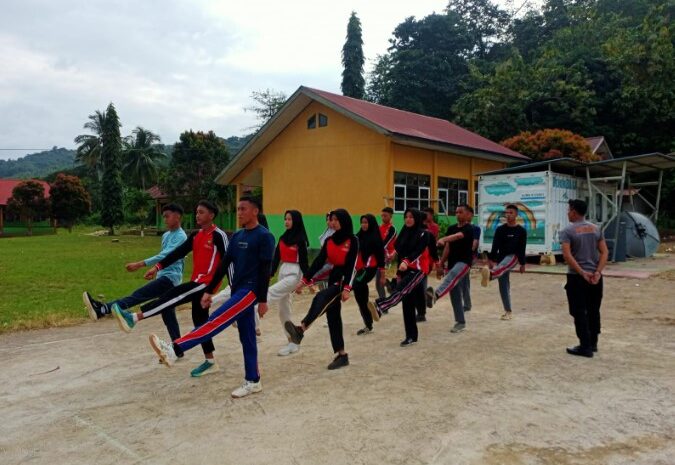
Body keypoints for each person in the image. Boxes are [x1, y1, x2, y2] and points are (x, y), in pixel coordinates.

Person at [149, 196, 275, 397]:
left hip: (250, 291)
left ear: (255, 211)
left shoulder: (264, 236)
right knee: (247, 337)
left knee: (215, 321)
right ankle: (253, 381)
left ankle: (174, 349)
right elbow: (223, 265)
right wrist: (209, 291)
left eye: (243, 209)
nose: (239, 212)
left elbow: (266, 269)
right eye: (238, 209)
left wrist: (262, 300)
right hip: (237, 289)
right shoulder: (237, 236)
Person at [112, 200, 229, 378]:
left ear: (212, 215)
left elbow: (227, 263)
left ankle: (134, 318)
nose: (197, 215)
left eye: (202, 212)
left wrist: (212, 289)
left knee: (172, 296)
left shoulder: (219, 235)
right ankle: (210, 361)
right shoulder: (195, 236)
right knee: (200, 322)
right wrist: (157, 267)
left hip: (206, 284)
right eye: (196, 212)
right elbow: (177, 253)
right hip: (197, 281)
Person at [83, 203, 187, 344]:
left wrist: (140, 264)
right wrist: (156, 270)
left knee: (139, 295)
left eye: (167, 216)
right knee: (168, 314)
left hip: (170, 280)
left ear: (177, 216)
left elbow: (166, 255)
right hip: (163, 277)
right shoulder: (166, 236)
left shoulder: (181, 237)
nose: (165, 220)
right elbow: (163, 256)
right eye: (163, 217)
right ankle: (179, 347)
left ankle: (102, 309)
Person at [284, 209, 359, 370]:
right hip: (333, 278)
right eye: (331, 220)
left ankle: (301, 329)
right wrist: (305, 280)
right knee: (333, 317)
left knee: (320, 298)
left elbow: (352, 266)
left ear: (344, 221)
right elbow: (318, 262)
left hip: (342, 281)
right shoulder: (330, 241)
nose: (332, 223)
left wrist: (347, 288)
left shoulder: (353, 240)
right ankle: (341, 355)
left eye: (336, 220)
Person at [560, 199, 608, 358]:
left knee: (578, 311)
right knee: (594, 309)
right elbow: (604, 252)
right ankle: (593, 343)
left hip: (577, 278)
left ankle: (584, 346)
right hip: (595, 277)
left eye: (568, 210)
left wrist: (582, 272)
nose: (567, 212)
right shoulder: (596, 228)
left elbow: (567, 255)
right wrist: (598, 272)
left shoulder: (567, 231)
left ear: (574, 211)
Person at [270, 210, 309, 356]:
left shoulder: (301, 240)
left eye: (290, 219)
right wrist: (270, 274)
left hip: (295, 272)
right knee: (283, 309)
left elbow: (305, 263)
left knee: (270, 292)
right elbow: (275, 259)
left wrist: (306, 281)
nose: (286, 221)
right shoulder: (282, 238)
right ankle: (292, 341)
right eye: (285, 219)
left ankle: (251, 313)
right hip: (283, 270)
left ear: (296, 221)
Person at [480, 204, 527, 320]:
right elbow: (495, 245)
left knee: (503, 265)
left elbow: (522, 247)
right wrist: (491, 259)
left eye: (511, 213)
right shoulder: (500, 230)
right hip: (501, 260)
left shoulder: (521, 231)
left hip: (514, 257)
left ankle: (491, 275)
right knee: (503, 286)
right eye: (506, 213)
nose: (508, 215)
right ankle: (508, 311)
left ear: (516, 214)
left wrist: (522, 263)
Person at [433, 205, 474, 333]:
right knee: (454, 293)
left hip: (464, 263)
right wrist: (440, 264)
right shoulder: (451, 228)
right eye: (456, 212)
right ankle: (460, 322)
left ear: (468, 215)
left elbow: (458, 236)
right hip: (452, 263)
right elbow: (447, 248)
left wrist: (444, 239)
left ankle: (435, 294)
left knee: (452, 275)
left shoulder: (469, 229)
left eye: (460, 212)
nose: (457, 214)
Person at [353, 214, 386, 335]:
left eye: (366, 222)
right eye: (362, 222)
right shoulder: (359, 236)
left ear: (371, 223)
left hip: (370, 268)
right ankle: (368, 323)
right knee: (360, 297)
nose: (363, 225)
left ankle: (374, 309)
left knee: (357, 284)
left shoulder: (376, 238)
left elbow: (381, 258)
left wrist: (382, 276)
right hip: (360, 268)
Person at [458, 206, 481, 313]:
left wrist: (469, 253)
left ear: (471, 215)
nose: (464, 215)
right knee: (461, 280)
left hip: (468, 257)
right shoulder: (458, 227)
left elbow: (475, 242)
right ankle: (465, 303)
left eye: (466, 213)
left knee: (464, 280)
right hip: (458, 257)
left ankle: (467, 304)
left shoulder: (475, 228)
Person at [377, 207, 397, 302]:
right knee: (379, 281)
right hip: (381, 256)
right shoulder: (379, 227)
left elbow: (386, 242)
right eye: (382, 215)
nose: (383, 217)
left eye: (385, 216)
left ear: (390, 216)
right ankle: (383, 301)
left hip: (390, 257)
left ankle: (385, 302)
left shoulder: (392, 229)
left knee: (383, 280)